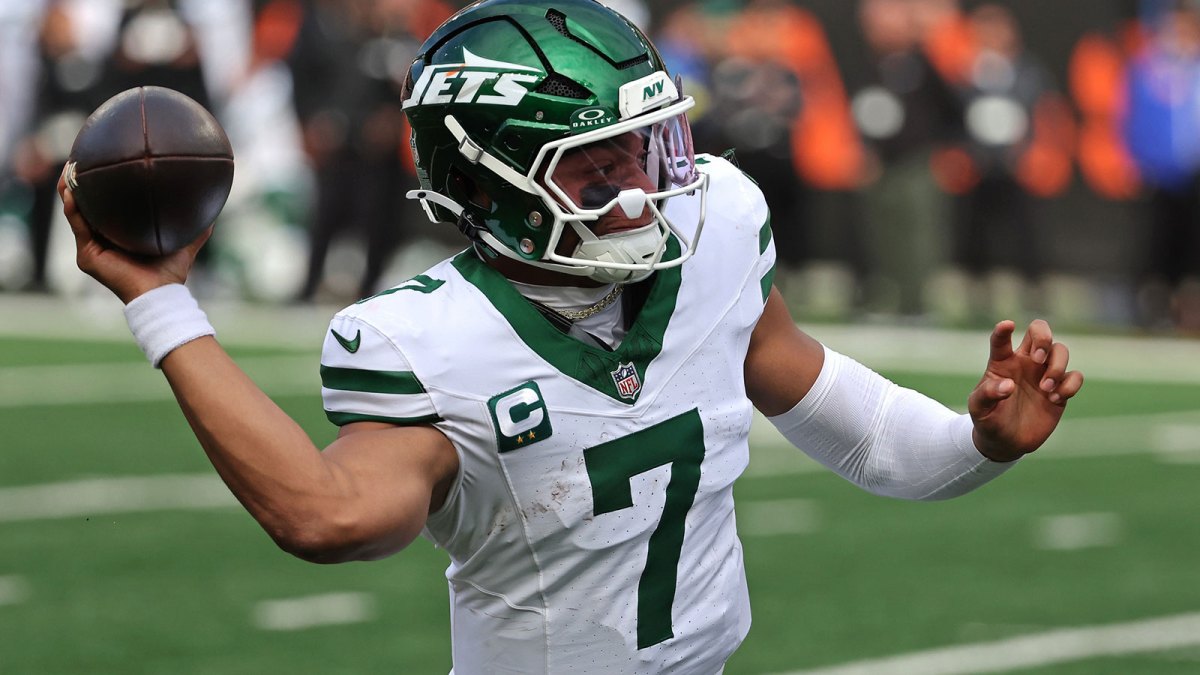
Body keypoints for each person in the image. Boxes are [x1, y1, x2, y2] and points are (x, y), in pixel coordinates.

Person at [59, 1, 1083, 672]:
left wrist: (978, 443)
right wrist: (162, 302)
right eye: (596, 169)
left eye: (646, 149)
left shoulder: (714, 226)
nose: (643, 191)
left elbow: (851, 428)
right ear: (485, 181)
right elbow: (328, 519)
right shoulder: (429, 340)